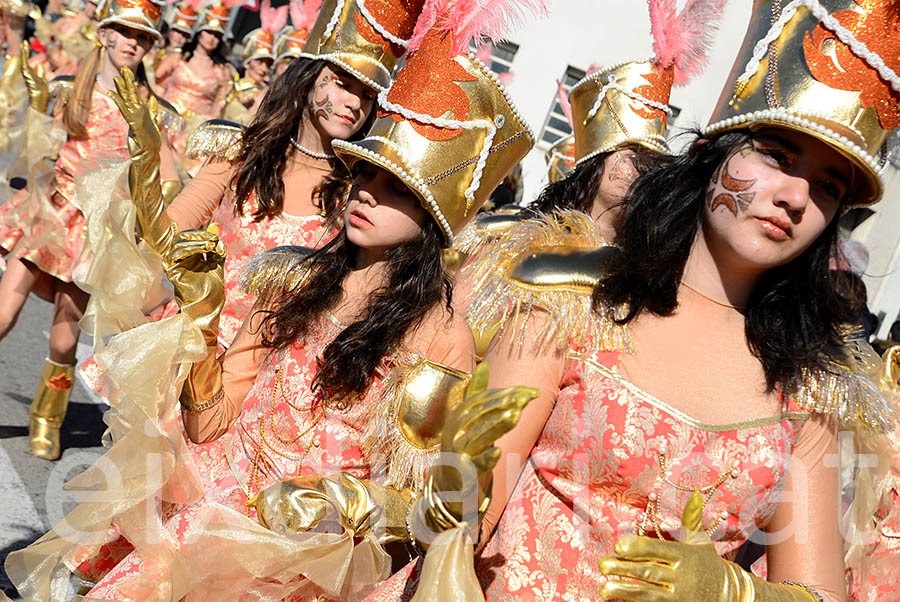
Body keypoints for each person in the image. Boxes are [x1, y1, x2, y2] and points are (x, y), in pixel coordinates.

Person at [4, 12, 537, 599]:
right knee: (125, 526)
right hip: (213, 426)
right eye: (368, 176)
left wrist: (346, 502)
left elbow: (421, 493)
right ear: (310, 78)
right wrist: (155, 194)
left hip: (304, 550)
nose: (366, 193)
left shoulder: (436, 330)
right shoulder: (280, 244)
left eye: (394, 188)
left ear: (431, 215)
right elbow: (171, 257)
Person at [382, 1, 900, 600]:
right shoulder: (576, 303)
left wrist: (735, 592)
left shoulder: (810, 390)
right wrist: (454, 491)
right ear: (715, 158)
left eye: (828, 187)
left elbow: (817, 594)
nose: (793, 197)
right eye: (778, 158)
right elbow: (453, 529)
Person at [0, 0, 178, 461]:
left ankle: (47, 417)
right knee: (3, 314)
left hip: (96, 235)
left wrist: (160, 199)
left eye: (143, 38)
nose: (133, 44)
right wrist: (38, 112)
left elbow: (168, 175)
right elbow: (38, 153)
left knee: (64, 337)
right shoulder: (70, 91)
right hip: (50, 213)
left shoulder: (150, 110)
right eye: (126, 33)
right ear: (105, 35)